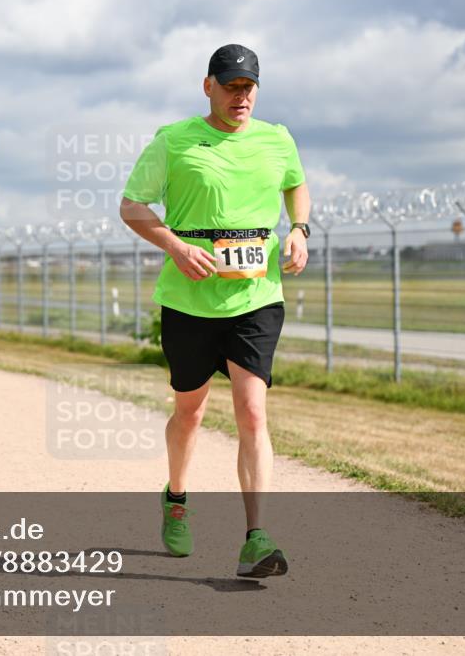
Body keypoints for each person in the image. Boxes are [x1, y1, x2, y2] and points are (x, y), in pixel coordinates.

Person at [120, 44, 310, 578]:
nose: (240, 96)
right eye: (230, 87)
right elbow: (133, 205)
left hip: (256, 297)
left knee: (252, 411)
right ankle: (176, 498)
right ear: (209, 87)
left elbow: (296, 183)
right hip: (189, 300)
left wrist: (298, 229)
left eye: (248, 87)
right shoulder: (175, 140)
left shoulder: (277, 139)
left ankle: (257, 536)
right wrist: (176, 247)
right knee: (191, 410)